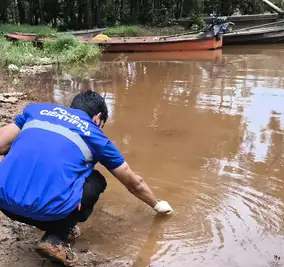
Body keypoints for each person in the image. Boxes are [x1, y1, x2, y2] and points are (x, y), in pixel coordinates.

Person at [0, 91, 172, 266]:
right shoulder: (96, 136)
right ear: (97, 118)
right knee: (96, 180)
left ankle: (56, 226)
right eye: (101, 124)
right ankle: (56, 237)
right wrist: (157, 205)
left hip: (4, 203)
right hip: (48, 214)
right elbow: (134, 184)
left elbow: (1, 143)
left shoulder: (37, 111)